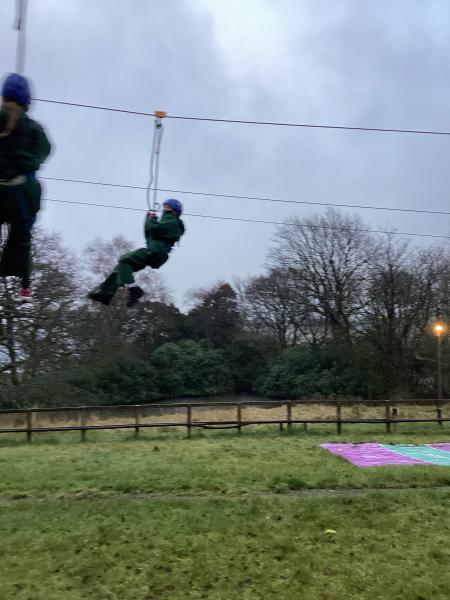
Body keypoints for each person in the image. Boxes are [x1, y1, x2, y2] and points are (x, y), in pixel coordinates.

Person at [0, 73, 51, 302]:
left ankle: (24, 284)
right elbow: (45, 150)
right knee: (22, 238)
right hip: (21, 195)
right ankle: (25, 286)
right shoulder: (33, 128)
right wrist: (27, 161)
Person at [88, 198, 185, 308]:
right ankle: (105, 294)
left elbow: (153, 228)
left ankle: (134, 289)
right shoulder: (168, 221)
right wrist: (149, 217)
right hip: (156, 252)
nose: (163, 208)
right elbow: (149, 234)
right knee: (121, 269)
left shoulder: (171, 220)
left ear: (172, 209)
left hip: (155, 251)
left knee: (124, 259)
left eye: (166, 206)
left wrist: (152, 219)